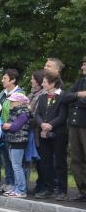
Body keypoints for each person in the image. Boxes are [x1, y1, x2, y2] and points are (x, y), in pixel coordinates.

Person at [34, 71, 68, 200]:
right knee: (45, 161)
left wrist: (50, 125)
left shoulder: (62, 96)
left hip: (59, 133)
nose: (42, 84)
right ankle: (48, 189)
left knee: (60, 162)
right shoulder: (43, 96)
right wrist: (42, 124)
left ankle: (62, 190)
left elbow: (62, 115)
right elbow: (37, 113)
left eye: (44, 82)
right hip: (44, 133)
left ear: (53, 83)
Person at [64, 56, 86, 201]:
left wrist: (75, 101)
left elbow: (71, 101)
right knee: (76, 159)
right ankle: (83, 191)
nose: (83, 67)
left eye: (85, 64)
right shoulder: (80, 82)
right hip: (74, 125)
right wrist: (79, 95)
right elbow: (65, 97)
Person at [2, 93, 31, 198]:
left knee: (17, 166)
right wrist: (6, 126)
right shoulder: (14, 112)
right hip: (12, 140)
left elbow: (15, 127)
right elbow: (4, 126)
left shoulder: (23, 113)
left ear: (19, 102)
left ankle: (21, 190)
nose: (10, 103)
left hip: (19, 141)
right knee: (15, 166)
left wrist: (8, 126)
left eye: (13, 101)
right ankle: (17, 188)